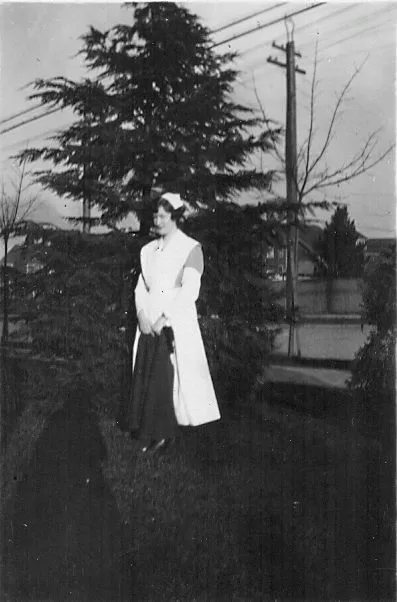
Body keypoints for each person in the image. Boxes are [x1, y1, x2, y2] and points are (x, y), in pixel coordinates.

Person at [127, 192, 220, 452]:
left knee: (166, 379)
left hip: (173, 324)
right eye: (155, 215)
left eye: (163, 216)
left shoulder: (191, 249)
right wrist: (142, 315)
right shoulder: (148, 251)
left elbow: (190, 291)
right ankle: (148, 429)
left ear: (175, 218)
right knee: (147, 375)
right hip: (148, 322)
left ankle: (165, 433)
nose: (157, 220)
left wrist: (165, 318)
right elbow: (140, 288)